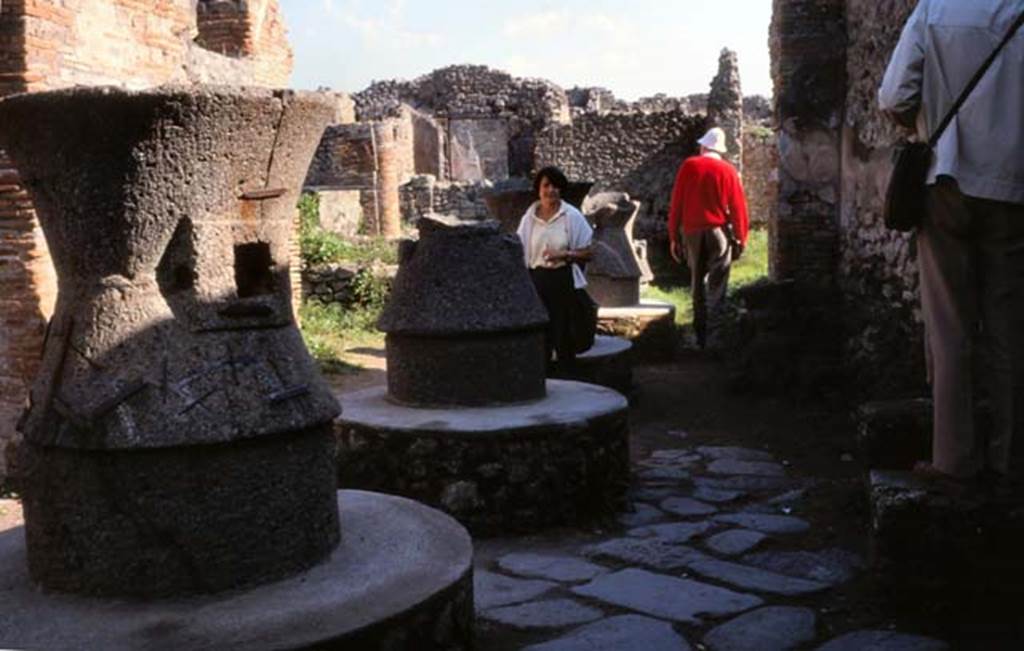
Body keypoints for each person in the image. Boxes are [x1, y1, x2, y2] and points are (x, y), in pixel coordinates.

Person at [879, 0, 1024, 487]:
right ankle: (1011, 457)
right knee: (1010, 325)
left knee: (949, 324)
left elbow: (896, 95)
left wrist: (923, 119)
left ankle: (954, 457)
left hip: (947, 180)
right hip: (1013, 187)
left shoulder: (934, 10)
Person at [667, 126, 749, 348]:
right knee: (718, 285)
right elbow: (738, 207)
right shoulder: (729, 171)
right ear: (720, 149)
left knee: (697, 284)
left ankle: (699, 336)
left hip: (692, 232)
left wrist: (673, 236)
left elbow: (677, 204)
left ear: (703, 146)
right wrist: (742, 237)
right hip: (719, 233)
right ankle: (716, 338)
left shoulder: (689, 165)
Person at [516, 166, 593, 374]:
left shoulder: (571, 216)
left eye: (555, 186)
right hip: (537, 281)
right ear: (538, 189)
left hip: (562, 280)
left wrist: (565, 255)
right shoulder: (529, 218)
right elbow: (519, 251)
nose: (551, 190)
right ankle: (542, 382)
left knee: (563, 334)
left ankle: (570, 386)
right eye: (546, 185)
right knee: (541, 335)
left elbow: (588, 253)